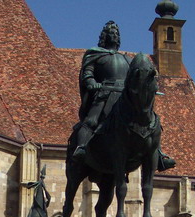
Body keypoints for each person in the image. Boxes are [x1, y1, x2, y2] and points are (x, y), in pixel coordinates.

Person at [70, 21, 175, 171]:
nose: (114, 36)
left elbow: (134, 79)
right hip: (104, 95)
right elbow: (88, 73)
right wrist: (92, 83)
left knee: (150, 122)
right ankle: (81, 148)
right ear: (104, 37)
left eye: (116, 34)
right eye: (111, 33)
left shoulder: (127, 59)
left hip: (123, 96)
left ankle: (159, 154)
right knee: (91, 121)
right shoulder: (95, 54)